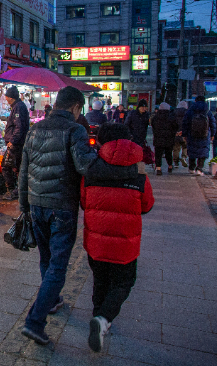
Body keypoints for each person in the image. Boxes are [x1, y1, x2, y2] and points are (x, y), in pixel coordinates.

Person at [18, 86, 142, 346]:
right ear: (75, 107)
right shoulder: (75, 130)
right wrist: (128, 172)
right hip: (61, 206)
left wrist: (24, 205)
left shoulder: (36, 128)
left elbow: (23, 169)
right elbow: (86, 165)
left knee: (46, 258)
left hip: (36, 203)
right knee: (58, 267)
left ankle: (51, 300)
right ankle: (34, 321)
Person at [80, 123, 154, 353]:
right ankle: (102, 319)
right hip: (125, 243)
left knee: (100, 280)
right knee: (123, 282)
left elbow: (84, 202)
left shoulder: (91, 168)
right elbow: (147, 205)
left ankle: (98, 319)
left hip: (97, 239)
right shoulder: (138, 171)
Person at [1, 86, 29, 200]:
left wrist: (12, 141)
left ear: (11, 97)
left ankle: (13, 191)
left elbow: (19, 127)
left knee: (6, 166)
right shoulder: (17, 106)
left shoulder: (18, 107)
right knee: (17, 167)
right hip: (17, 143)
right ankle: (19, 191)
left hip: (16, 144)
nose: (6, 99)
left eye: (6, 97)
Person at [182, 96, 216, 175]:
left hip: (192, 134)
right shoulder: (208, 111)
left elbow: (185, 123)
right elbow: (213, 124)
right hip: (205, 135)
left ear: (195, 101)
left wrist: (184, 134)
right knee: (203, 151)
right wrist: (213, 134)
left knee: (192, 151)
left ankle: (191, 168)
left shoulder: (190, 111)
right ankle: (199, 169)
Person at [150, 102, 179, 175]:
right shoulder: (171, 117)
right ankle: (170, 166)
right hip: (169, 138)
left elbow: (153, 126)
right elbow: (176, 126)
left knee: (158, 154)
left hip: (158, 138)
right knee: (168, 153)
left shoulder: (156, 117)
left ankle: (158, 168)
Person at [173, 101, 189, 167]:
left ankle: (176, 162)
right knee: (185, 147)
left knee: (176, 148)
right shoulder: (188, 113)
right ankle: (184, 157)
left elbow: (172, 123)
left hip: (176, 133)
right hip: (184, 133)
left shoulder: (174, 112)